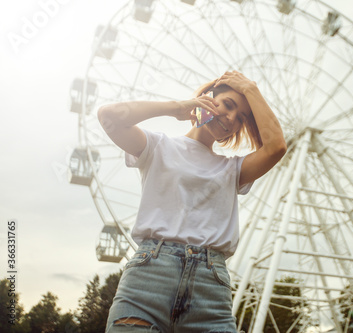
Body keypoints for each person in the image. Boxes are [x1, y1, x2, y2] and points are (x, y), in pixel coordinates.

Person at [98, 70, 287, 332]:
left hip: (209, 291)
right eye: (228, 105)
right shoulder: (157, 147)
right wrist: (179, 108)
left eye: (241, 118)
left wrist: (250, 88)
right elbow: (108, 116)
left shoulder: (233, 169)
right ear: (207, 99)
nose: (231, 118)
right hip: (148, 281)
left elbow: (276, 146)